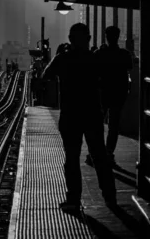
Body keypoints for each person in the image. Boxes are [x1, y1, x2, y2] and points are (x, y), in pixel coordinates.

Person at [42, 23, 116, 211]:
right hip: (92, 114)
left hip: (70, 116)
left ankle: (74, 199)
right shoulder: (94, 59)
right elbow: (108, 81)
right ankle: (110, 197)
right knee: (99, 156)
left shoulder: (63, 58)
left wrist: (58, 54)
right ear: (89, 39)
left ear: (70, 39)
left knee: (72, 159)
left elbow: (46, 76)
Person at [92, 26, 133, 167]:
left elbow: (94, 71)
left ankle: (97, 152)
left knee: (97, 123)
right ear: (118, 36)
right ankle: (109, 152)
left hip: (103, 92)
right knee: (114, 124)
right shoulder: (124, 54)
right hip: (119, 92)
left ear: (106, 36)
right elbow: (130, 66)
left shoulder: (100, 53)